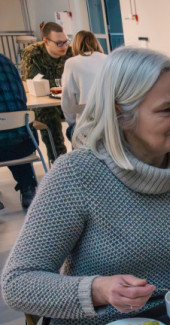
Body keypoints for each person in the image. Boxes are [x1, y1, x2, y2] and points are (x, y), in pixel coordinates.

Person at [1, 47, 170, 325]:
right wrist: (99, 290)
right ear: (120, 111)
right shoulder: (75, 174)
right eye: (167, 109)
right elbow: (17, 284)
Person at [20, 21, 72, 162]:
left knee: (84, 116)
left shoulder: (71, 52)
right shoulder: (33, 53)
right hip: (44, 103)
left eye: (66, 41)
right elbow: (30, 83)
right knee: (50, 118)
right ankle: (59, 162)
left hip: (66, 100)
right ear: (46, 41)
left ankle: (78, 159)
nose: (64, 46)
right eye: (59, 43)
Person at [0, 53, 38, 209]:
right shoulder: (6, 62)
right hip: (25, 145)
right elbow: (23, 99)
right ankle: (27, 187)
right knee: (18, 133)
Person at [60, 30, 107, 142]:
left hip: (86, 127)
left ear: (75, 45)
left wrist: (71, 122)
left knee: (72, 131)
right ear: (96, 42)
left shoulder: (72, 63)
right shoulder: (108, 59)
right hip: (109, 123)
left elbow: (67, 101)